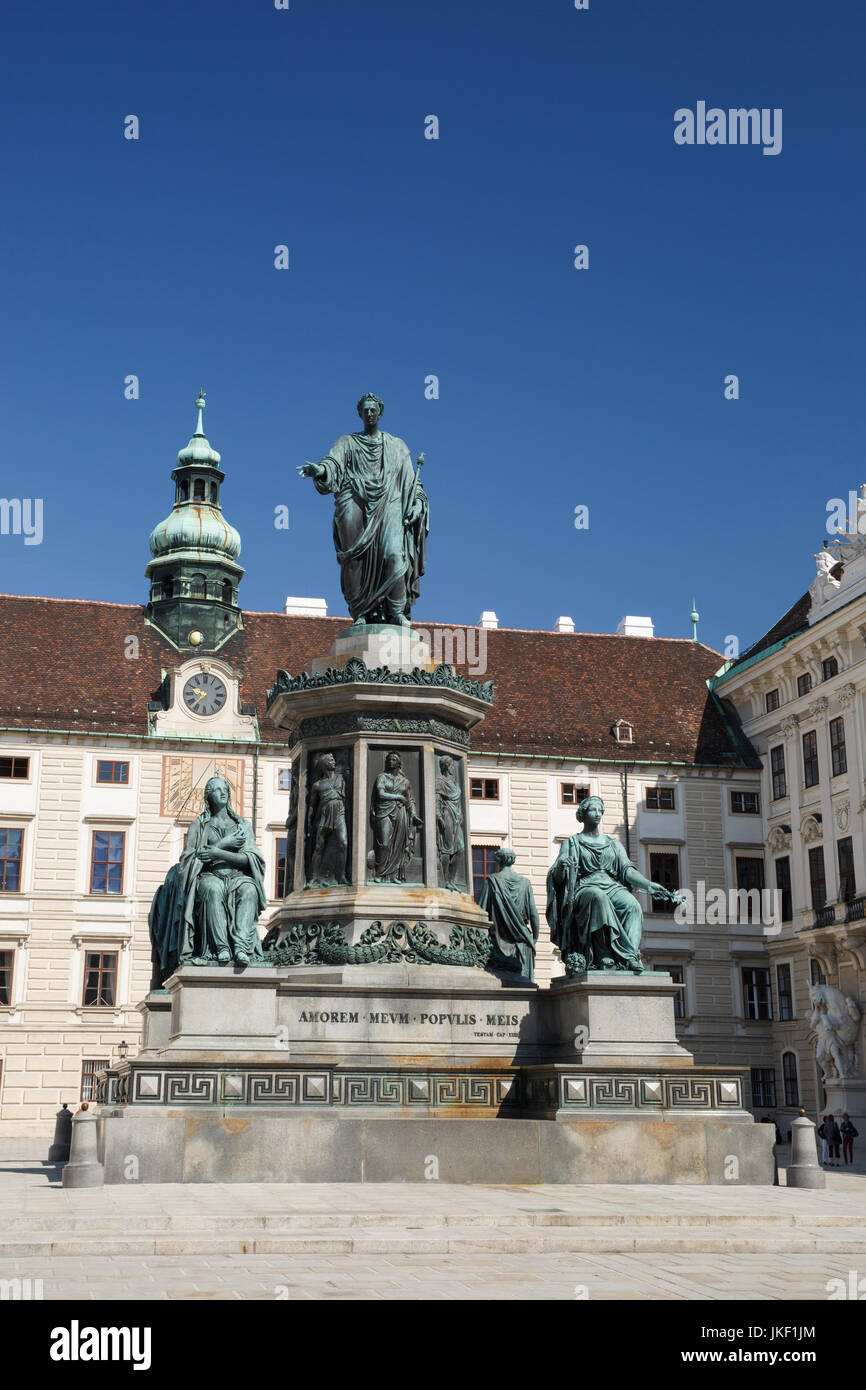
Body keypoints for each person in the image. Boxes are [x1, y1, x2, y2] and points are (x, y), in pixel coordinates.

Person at [298, 394, 428, 628]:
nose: (369, 414)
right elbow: (333, 463)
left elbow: (412, 483)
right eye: (365, 410)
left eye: (373, 410)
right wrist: (320, 470)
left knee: (394, 555)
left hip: (390, 503)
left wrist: (418, 502)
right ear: (360, 414)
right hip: (355, 497)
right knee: (353, 558)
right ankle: (360, 611)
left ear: (380, 412)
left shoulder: (397, 446)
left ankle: (396, 611)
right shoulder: (347, 442)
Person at [546, 795, 681, 973]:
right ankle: (603, 955)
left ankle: (630, 956)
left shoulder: (613, 844)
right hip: (586, 887)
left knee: (632, 905)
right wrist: (562, 867)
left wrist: (648, 884)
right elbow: (558, 873)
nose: (597, 814)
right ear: (583, 814)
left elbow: (627, 871)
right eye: (592, 810)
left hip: (612, 886)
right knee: (598, 898)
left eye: (600, 811)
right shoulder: (572, 843)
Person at [477, 847, 540, 981]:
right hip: (522, 941)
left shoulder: (492, 881)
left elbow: (481, 912)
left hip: (497, 942)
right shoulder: (525, 883)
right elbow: (534, 913)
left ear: (498, 861)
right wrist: (534, 938)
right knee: (524, 987)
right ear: (513, 861)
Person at [369, 752, 422, 882]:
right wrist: (398, 796)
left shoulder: (405, 782)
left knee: (398, 846)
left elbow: (410, 801)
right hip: (384, 812)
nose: (390, 761)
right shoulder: (382, 777)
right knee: (385, 844)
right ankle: (379, 873)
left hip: (401, 813)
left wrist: (413, 814)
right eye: (388, 759)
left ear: (398, 763)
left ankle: (392, 876)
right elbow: (380, 794)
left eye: (393, 759)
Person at [306, 753, 348, 886]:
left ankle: (341, 876)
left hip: (339, 812)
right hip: (325, 814)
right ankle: (313, 878)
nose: (334, 762)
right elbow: (312, 806)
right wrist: (308, 823)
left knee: (343, 843)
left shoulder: (341, 779)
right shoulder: (317, 785)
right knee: (319, 846)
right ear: (324, 764)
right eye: (330, 760)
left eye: (334, 759)